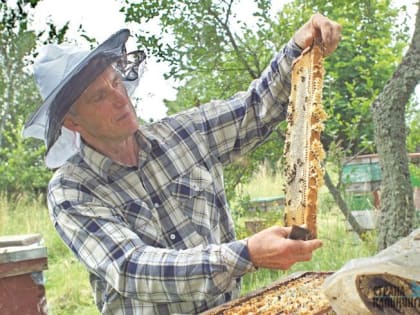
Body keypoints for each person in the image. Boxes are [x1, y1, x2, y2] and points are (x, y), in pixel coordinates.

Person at [23, 13, 341, 315]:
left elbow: (255, 108)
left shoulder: (183, 133)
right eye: (98, 97)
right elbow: (131, 268)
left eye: (115, 83)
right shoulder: (71, 190)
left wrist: (296, 48)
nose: (120, 98)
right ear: (72, 122)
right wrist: (246, 254)